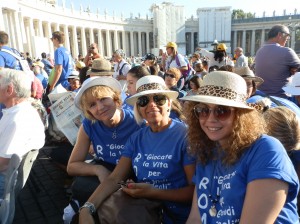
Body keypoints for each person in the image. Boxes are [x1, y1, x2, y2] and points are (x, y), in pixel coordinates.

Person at [181, 71, 299, 223]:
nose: (210, 119)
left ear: (241, 115)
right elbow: (196, 219)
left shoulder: (266, 150)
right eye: (203, 110)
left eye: (221, 111)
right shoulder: (207, 150)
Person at [79, 75, 195, 224]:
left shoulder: (185, 136)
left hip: (179, 216)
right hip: (144, 212)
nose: (151, 105)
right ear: (138, 108)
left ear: (169, 103)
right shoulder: (136, 138)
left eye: (158, 98)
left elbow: (195, 191)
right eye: (144, 101)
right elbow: (115, 178)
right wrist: (87, 208)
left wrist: (155, 192)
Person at [64, 76, 141, 223]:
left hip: (131, 180)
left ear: (116, 98)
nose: (100, 107)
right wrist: (98, 170)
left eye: (104, 99)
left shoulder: (137, 123)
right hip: (103, 177)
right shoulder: (89, 125)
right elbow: (72, 166)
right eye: (92, 105)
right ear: (88, 111)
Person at [0, 69, 45, 199]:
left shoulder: (17, 119)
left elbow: (3, 163)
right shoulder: (20, 110)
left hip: (4, 180)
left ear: (9, 90)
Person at [255, 24, 300, 98]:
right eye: (287, 35)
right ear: (279, 35)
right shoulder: (286, 51)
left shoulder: (259, 51)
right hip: (281, 98)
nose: (288, 38)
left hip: (261, 96)